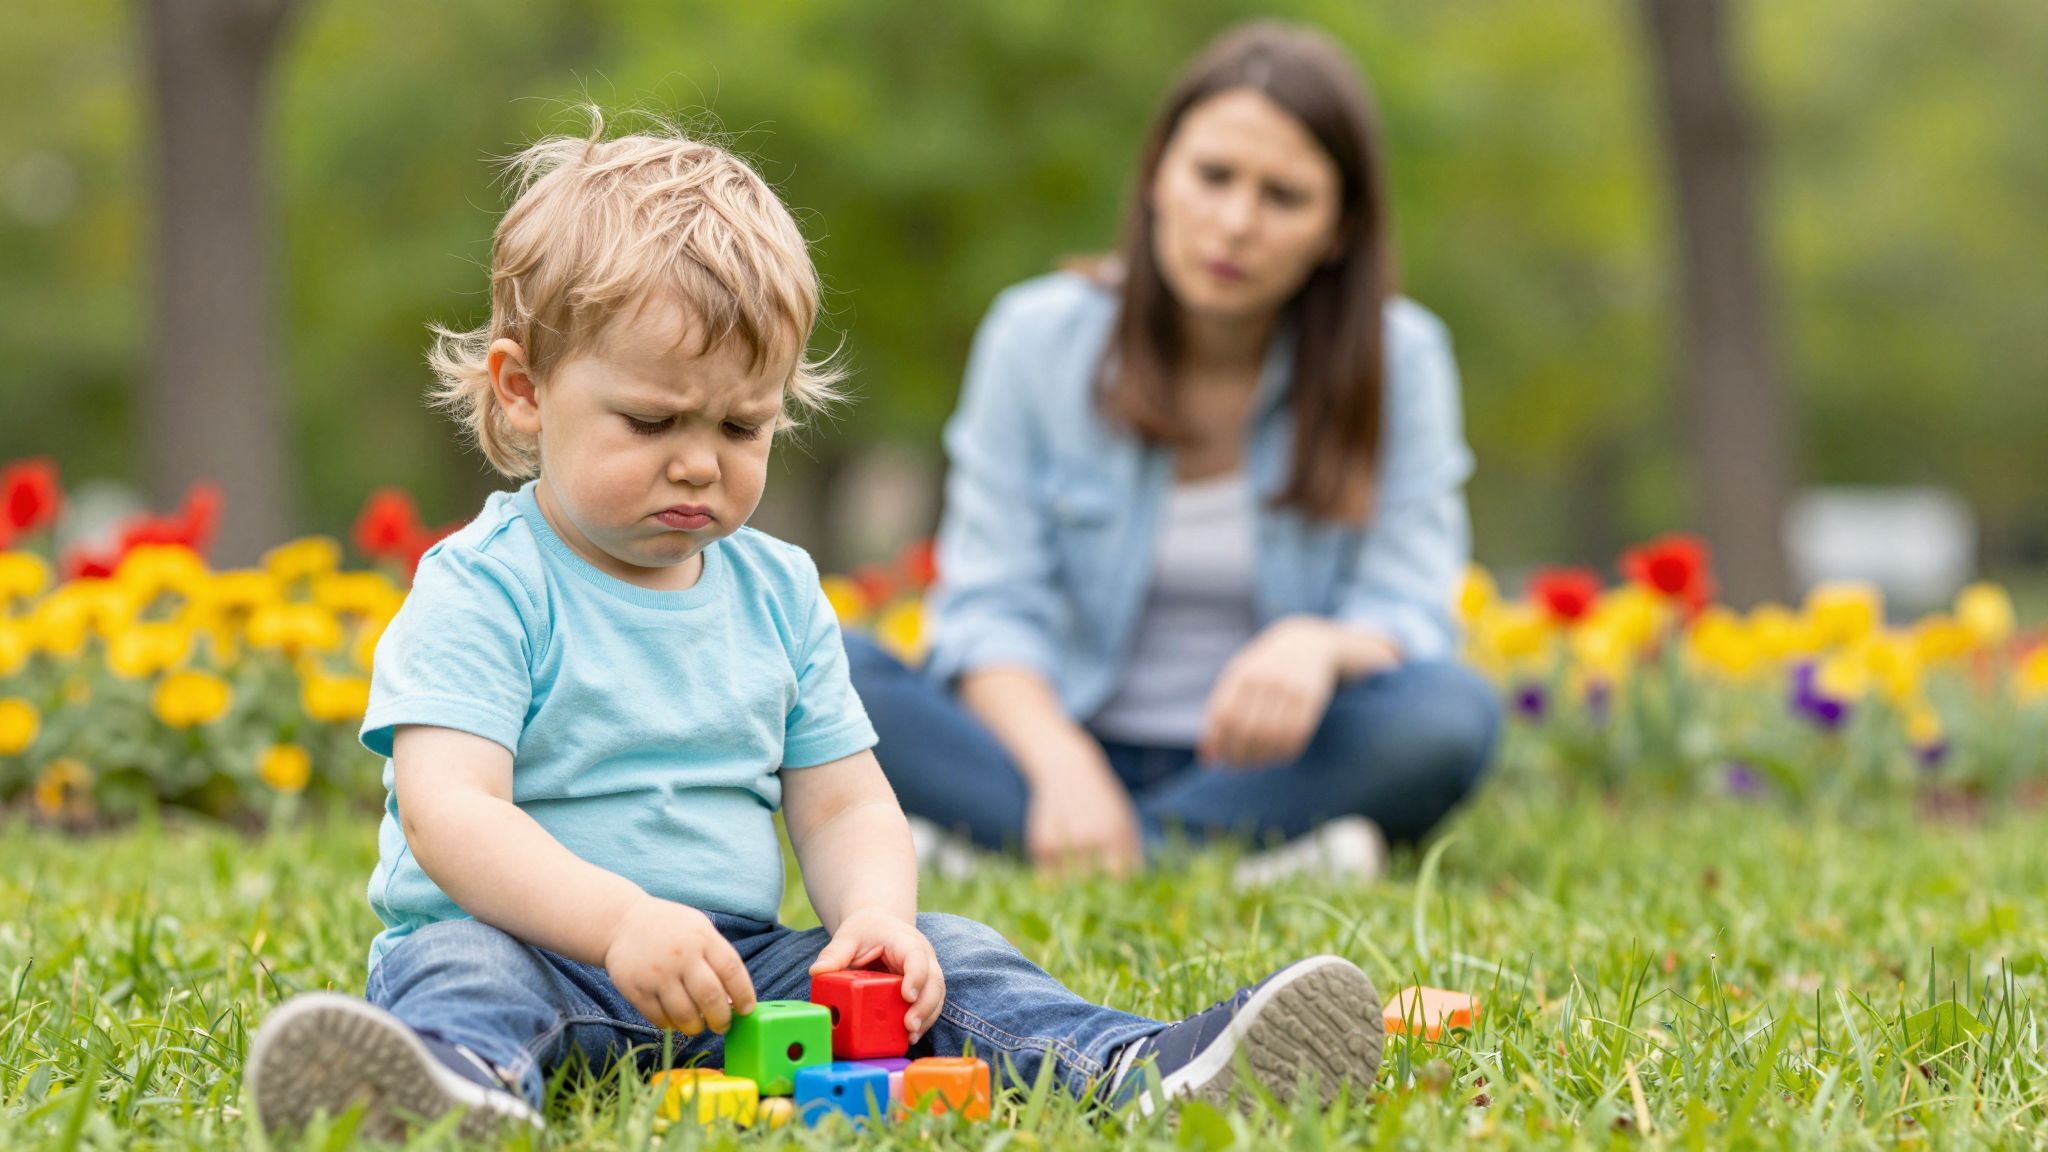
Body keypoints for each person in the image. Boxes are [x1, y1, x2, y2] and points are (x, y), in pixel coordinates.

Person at [239, 116, 1384, 1140]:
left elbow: (839, 799)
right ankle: (450, 1088)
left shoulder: (775, 588)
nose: (700, 459)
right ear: (523, 390)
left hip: (731, 967)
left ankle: (1139, 1067)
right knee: (457, 968)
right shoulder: (484, 584)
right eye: (651, 420)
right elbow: (451, 815)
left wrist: (877, 920)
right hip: (533, 947)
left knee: (959, 953)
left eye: (743, 425)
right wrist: (619, 921)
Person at [848, 22, 1502, 884]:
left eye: (1284, 196)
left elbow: (1411, 602)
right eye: (1214, 176)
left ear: (1338, 227)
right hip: (1047, 747)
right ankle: (1236, 860)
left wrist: (1321, 644)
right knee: (839, 672)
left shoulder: (1403, 359)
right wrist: (1061, 767)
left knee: (1448, 715)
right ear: (1158, 173)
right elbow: (989, 609)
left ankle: (1014, 853)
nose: (1235, 223)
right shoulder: (1034, 338)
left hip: (1272, 766)